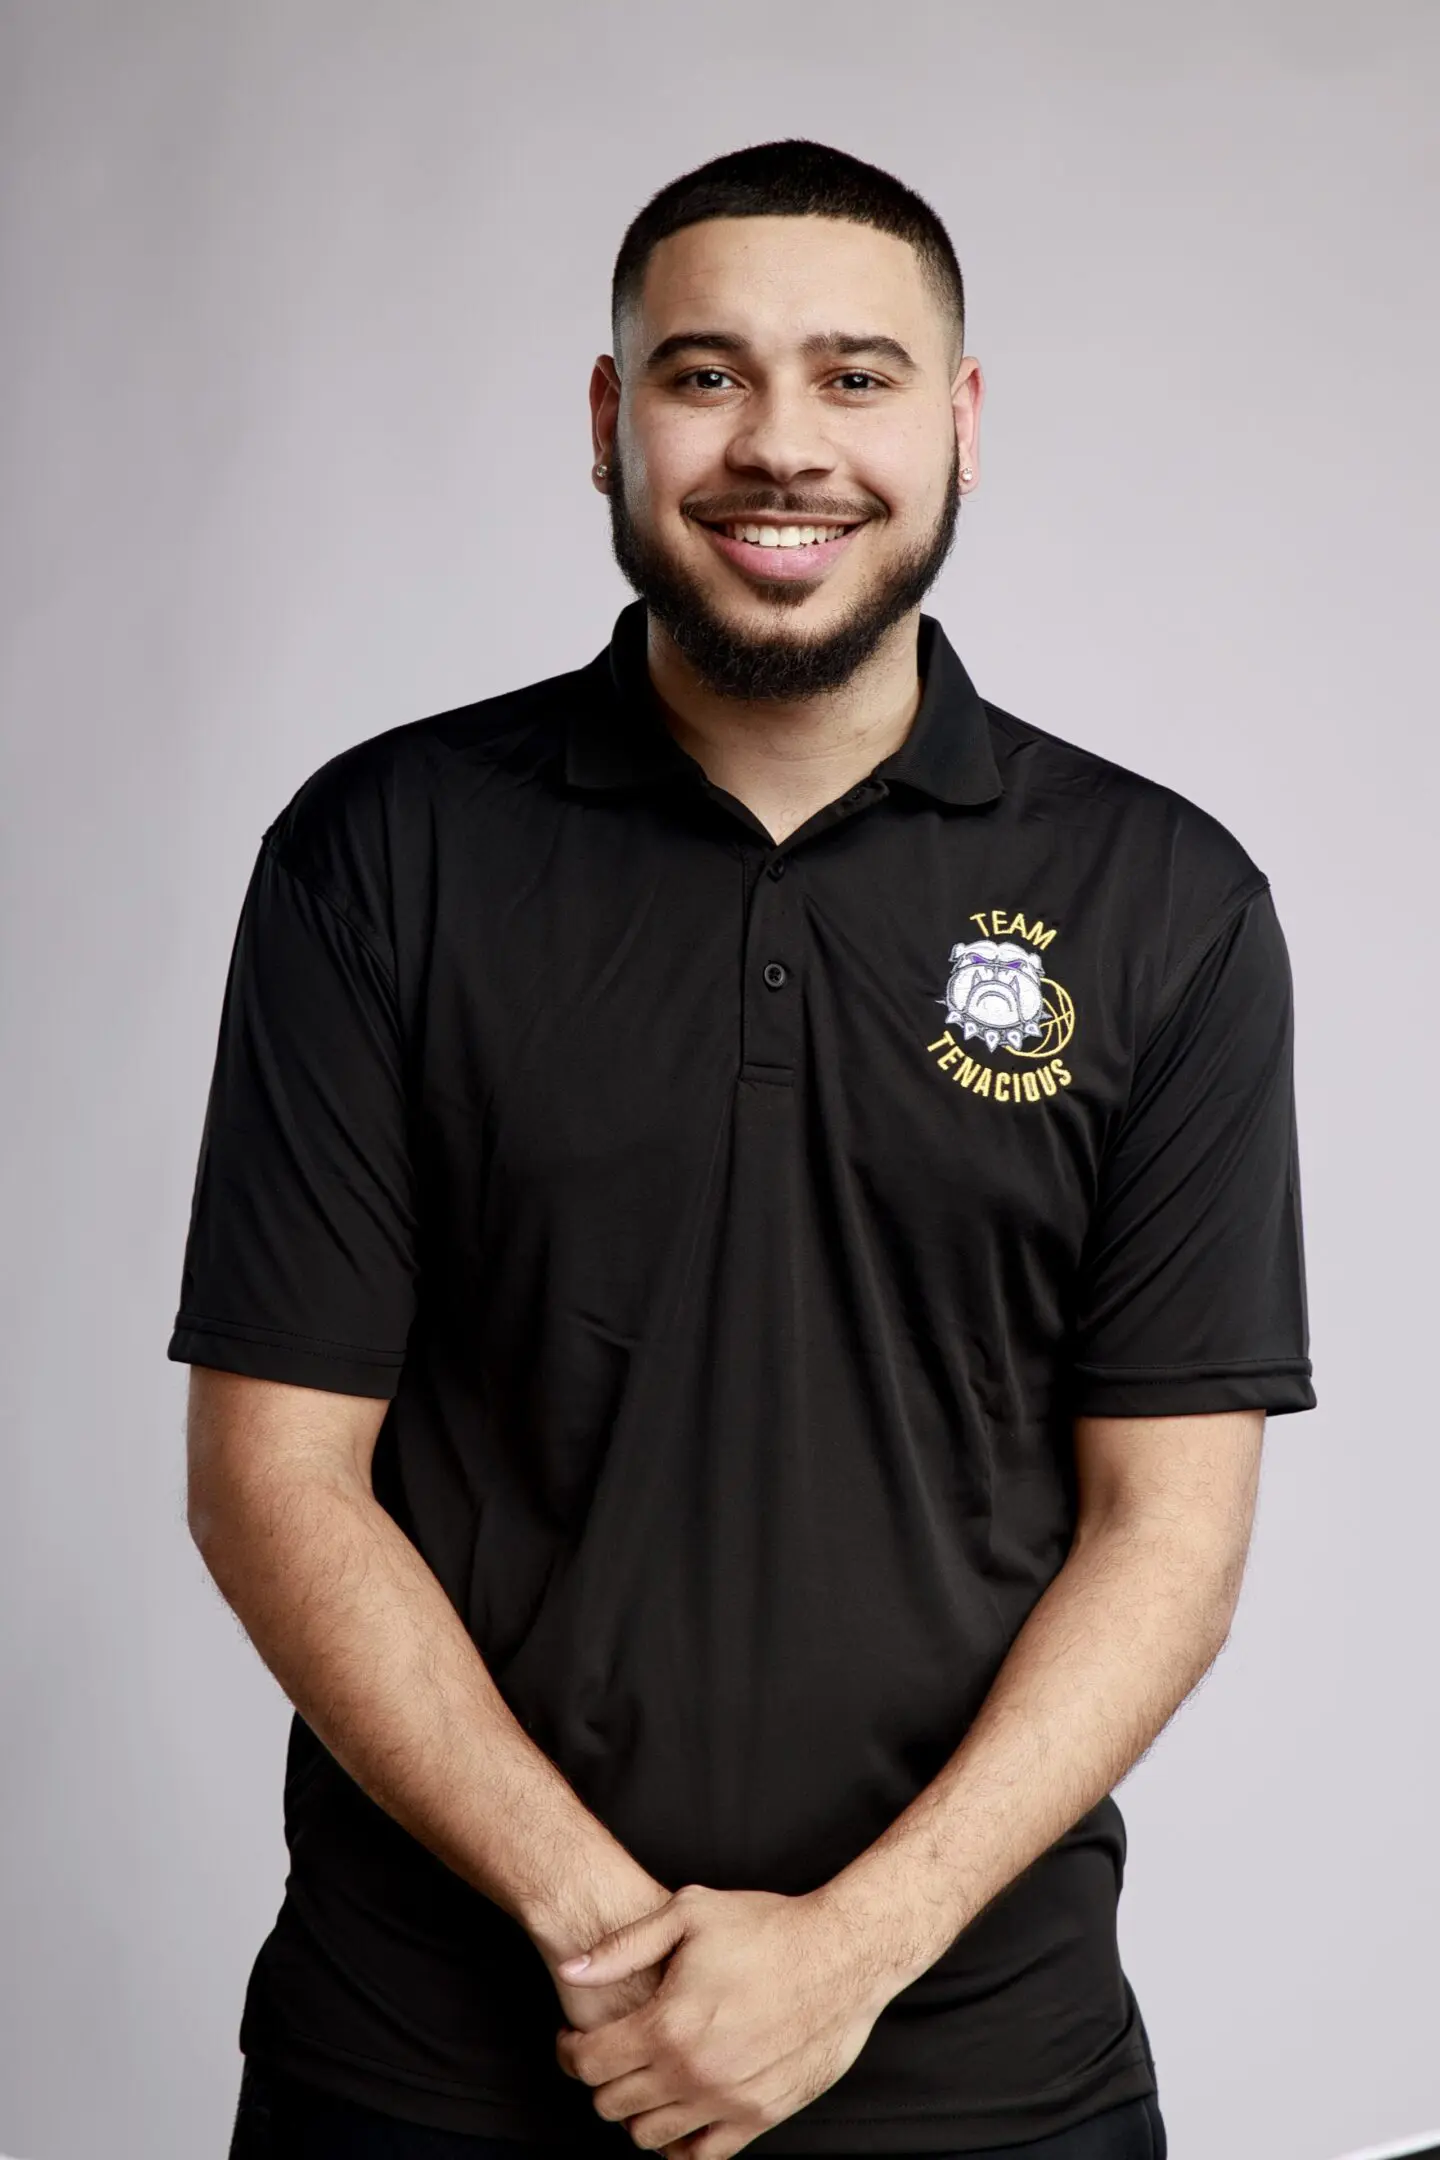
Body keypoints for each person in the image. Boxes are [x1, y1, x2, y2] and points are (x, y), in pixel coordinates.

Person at [171, 138, 1315, 2160]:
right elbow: (276, 1479)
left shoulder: (1167, 903)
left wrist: (850, 1952)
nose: (782, 444)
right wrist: (633, 1960)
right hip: (431, 2064)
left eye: (858, 377)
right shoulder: (380, 859)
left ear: (959, 425)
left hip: (978, 2066)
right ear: (610, 422)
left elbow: (1171, 1536)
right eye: (705, 376)